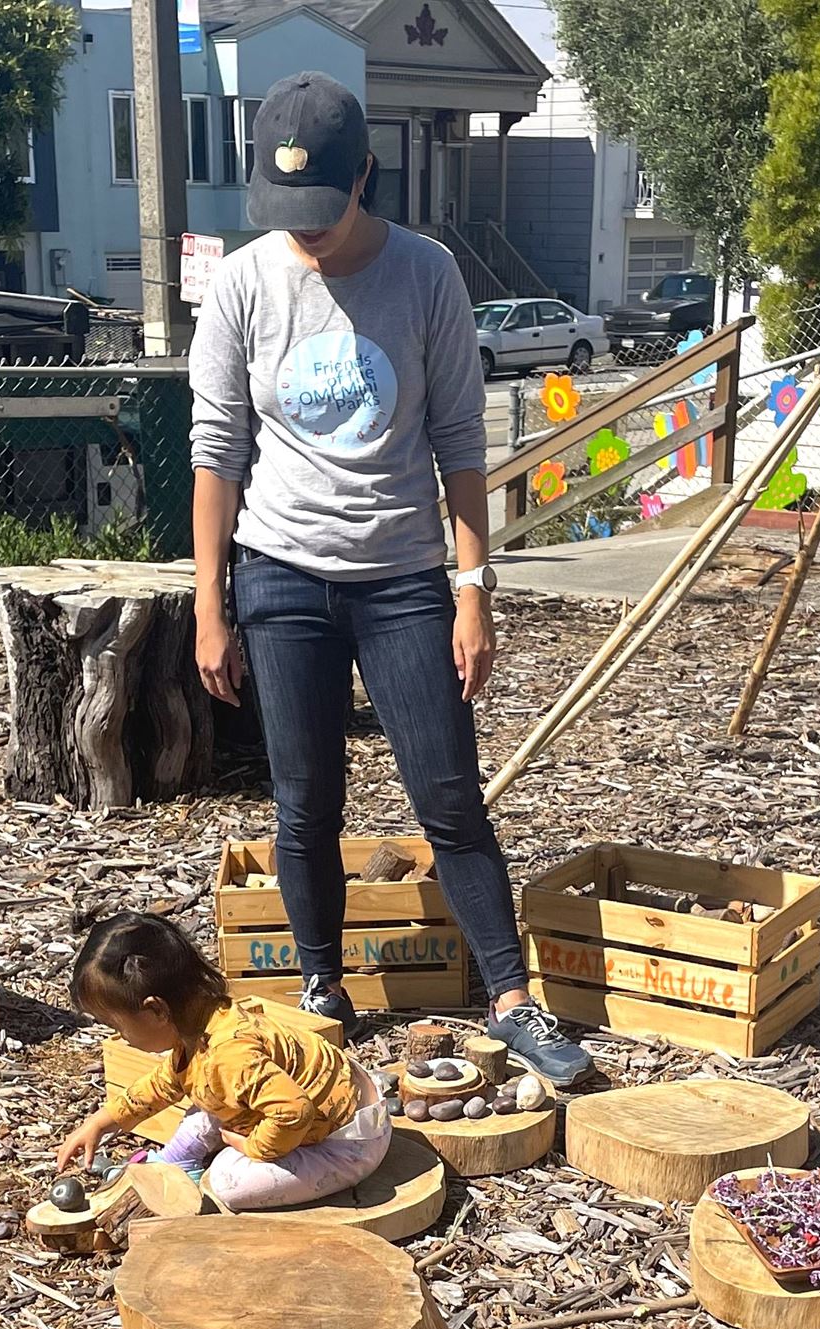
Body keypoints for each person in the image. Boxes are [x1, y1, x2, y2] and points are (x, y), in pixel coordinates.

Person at [187, 69, 592, 1086]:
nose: (305, 232)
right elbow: (217, 450)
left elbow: (458, 435)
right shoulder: (241, 285)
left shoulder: (424, 274)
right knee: (303, 803)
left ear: (364, 174)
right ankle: (320, 985)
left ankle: (507, 997)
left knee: (448, 793)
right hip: (279, 574)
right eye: (286, 212)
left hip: (405, 576)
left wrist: (471, 587)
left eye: (322, 206)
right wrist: (210, 605)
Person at [55, 913, 392, 1210]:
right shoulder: (203, 1022)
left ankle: (195, 1172)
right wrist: (101, 1121)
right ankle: (176, 1161)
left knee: (227, 1181)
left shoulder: (229, 1057)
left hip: (349, 1143)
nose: (120, 1036)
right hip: (324, 1102)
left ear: (157, 1010)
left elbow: (295, 1111)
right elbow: (165, 1083)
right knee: (208, 1098)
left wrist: (254, 1147)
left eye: (117, 1025)